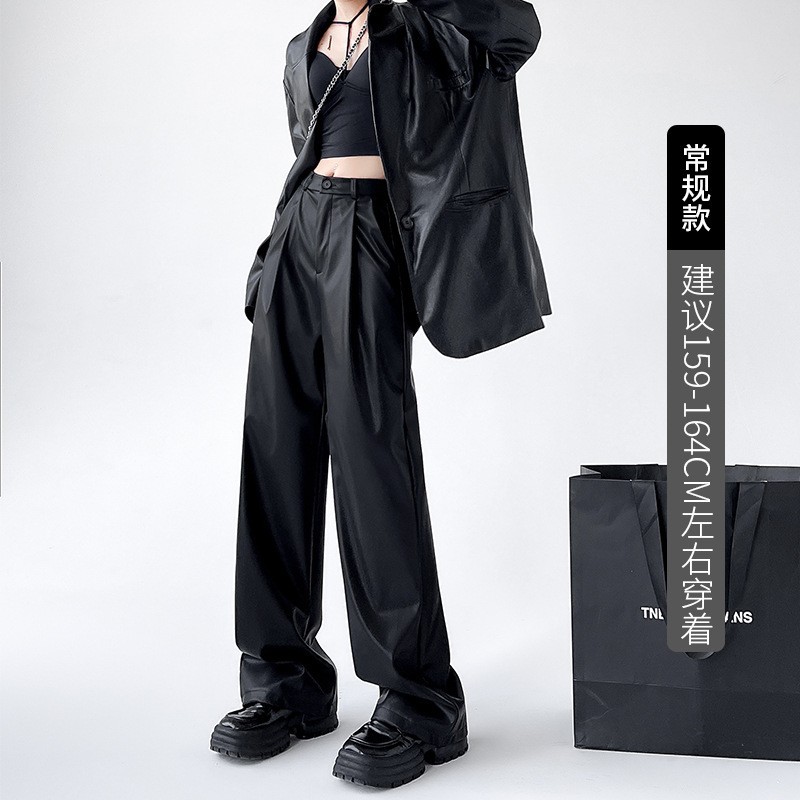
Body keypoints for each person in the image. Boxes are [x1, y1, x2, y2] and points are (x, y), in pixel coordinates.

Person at [210, 0, 550, 789]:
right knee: (274, 457)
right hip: (299, 237)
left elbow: (516, 30)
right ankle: (283, 684)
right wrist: (273, 254)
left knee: (373, 460)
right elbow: (308, 151)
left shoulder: (433, 31)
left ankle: (421, 702)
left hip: (373, 238)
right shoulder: (301, 47)